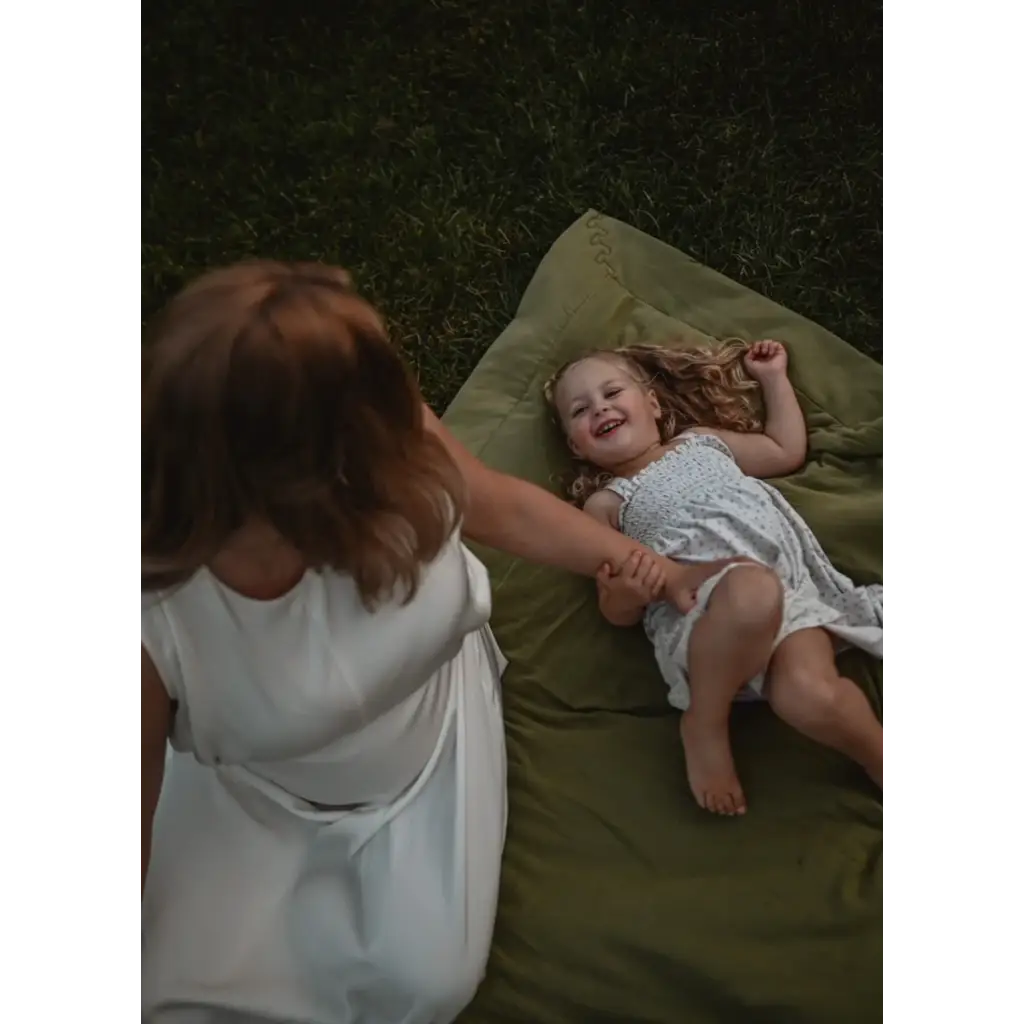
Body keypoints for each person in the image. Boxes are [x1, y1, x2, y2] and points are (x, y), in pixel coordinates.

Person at [135, 261, 739, 1024]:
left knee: (422, 987)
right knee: (178, 991)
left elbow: (501, 508)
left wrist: (650, 565)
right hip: (259, 797)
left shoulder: (378, 432)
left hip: (430, 754)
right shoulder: (158, 611)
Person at [545, 338, 888, 817]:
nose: (600, 409)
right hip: (702, 622)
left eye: (612, 393)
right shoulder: (607, 504)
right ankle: (704, 724)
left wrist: (772, 378)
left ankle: (879, 759)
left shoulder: (703, 443)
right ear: (575, 444)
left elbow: (783, 450)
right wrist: (627, 593)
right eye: (581, 410)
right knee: (750, 588)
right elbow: (613, 609)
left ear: (653, 403)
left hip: (789, 600)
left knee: (810, 694)